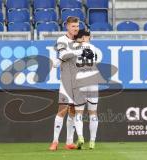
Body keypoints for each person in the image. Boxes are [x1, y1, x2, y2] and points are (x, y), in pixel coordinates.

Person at [49, 16, 83, 151]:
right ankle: (55, 141)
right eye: (73, 26)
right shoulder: (62, 40)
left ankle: (69, 141)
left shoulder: (81, 40)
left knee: (73, 111)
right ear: (67, 27)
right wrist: (76, 52)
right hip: (66, 80)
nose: (76, 28)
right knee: (62, 110)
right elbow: (63, 56)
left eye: (77, 26)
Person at [70, 29, 101, 149]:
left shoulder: (73, 49)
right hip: (93, 82)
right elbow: (96, 62)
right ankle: (92, 141)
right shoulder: (95, 48)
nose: (90, 38)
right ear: (84, 37)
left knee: (79, 113)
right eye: (89, 36)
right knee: (93, 113)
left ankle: (80, 137)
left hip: (80, 82)